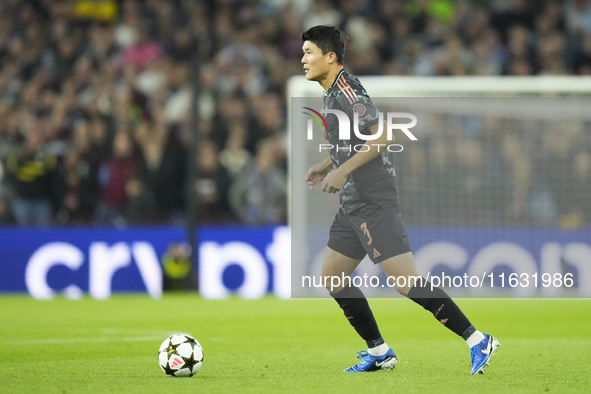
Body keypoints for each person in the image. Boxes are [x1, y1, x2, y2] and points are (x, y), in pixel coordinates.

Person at [301, 25, 499, 374]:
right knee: (333, 277)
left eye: (309, 52)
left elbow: (383, 136)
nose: (303, 59)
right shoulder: (330, 93)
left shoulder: (347, 91)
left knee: (406, 282)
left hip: (373, 199)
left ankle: (477, 338)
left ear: (330, 57)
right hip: (353, 201)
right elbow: (352, 143)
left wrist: (342, 171)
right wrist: (326, 165)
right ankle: (379, 352)